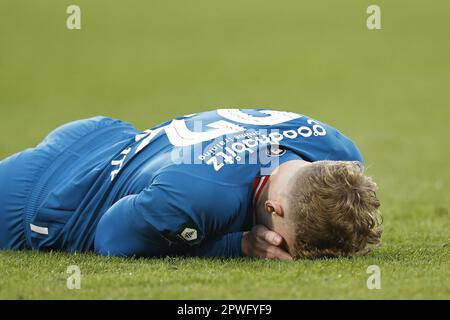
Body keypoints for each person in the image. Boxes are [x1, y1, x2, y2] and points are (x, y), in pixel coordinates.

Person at [0, 109, 382, 260]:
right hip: (43, 199)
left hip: (108, 134)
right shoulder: (203, 196)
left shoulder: (336, 149)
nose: (276, 246)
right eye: (284, 241)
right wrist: (239, 244)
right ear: (274, 210)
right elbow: (111, 238)